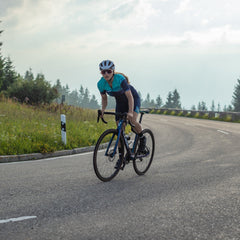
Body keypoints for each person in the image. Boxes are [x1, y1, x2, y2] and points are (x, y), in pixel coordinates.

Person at [97, 60, 146, 168]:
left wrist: (130, 112)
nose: (106, 74)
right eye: (103, 72)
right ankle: (121, 158)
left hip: (133, 99)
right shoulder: (101, 84)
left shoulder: (120, 79)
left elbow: (130, 97)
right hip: (120, 103)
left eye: (108, 71)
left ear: (113, 71)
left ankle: (142, 138)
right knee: (119, 130)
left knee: (132, 121)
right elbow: (104, 99)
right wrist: (103, 110)